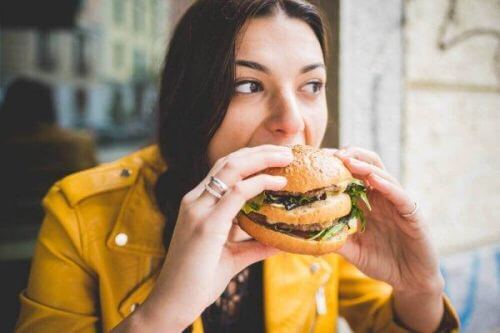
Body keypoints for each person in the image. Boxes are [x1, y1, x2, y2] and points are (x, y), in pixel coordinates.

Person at [15, 1, 460, 332]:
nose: (292, 123)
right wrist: (161, 315)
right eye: (248, 85)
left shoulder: (320, 218)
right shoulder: (78, 213)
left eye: (312, 85)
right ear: (190, 97)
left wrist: (419, 290)